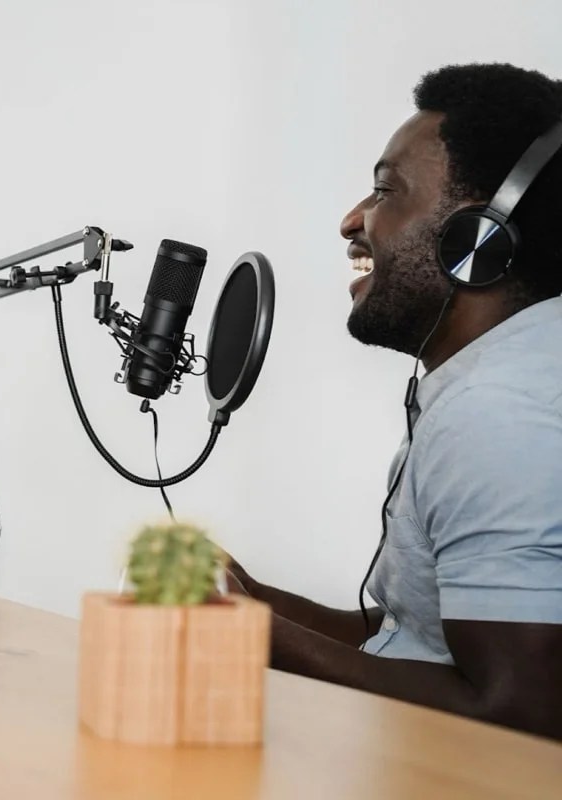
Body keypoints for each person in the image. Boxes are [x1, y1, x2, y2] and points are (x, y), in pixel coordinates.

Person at [227, 63, 562, 740]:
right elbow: (419, 640)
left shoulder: (500, 413)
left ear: (476, 242)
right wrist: (254, 601)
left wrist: (250, 634)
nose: (352, 220)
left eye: (385, 192)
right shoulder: (497, 380)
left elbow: (521, 713)